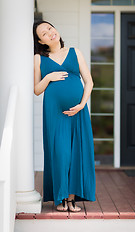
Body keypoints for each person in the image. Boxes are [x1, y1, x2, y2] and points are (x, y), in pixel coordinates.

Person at [33, 20, 96, 212]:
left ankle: (71, 199)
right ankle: (60, 196)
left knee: (77, 153)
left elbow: (89, 82)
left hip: (78, 112)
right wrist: (48, 77)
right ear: (41, 41)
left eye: (50, 28)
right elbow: (36, 90)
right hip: (55, 113)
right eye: (44, 33)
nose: (50, 33)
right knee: (60, 153)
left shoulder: (75, 52)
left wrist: (81, 105)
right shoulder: (38, 58)